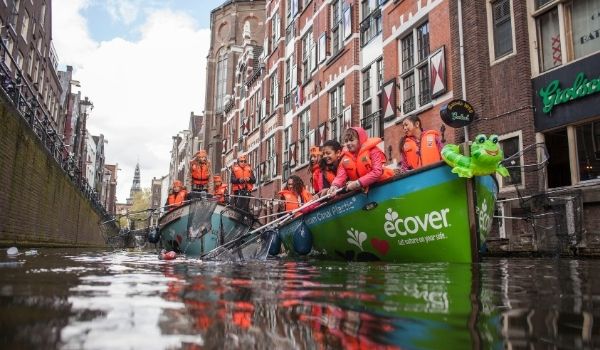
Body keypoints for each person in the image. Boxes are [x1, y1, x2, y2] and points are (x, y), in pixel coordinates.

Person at [328, 126, 394, 194]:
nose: (348, 143)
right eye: (346, 141)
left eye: (351, 140)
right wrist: (334, 186)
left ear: (360, 139)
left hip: (384, 185)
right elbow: (340, 176)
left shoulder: (373, 151)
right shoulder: (345, 159)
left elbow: (377, 172)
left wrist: (358, 183)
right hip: (364, 190)